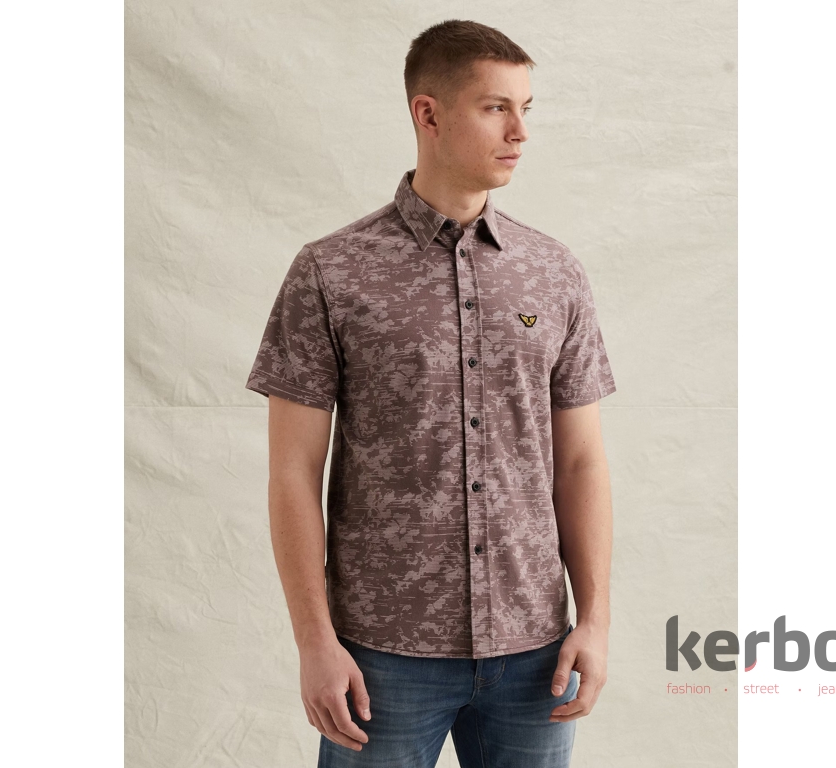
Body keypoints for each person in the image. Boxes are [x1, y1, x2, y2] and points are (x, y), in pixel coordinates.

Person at [245, 18, 617, 768]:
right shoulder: (331, 272)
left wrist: (596, 620)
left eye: (525, 108)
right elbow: (293, 473)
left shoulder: (554, 272)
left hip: (536, 653)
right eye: (496, 107)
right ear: (428, 113)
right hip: (381, 655)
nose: (519, 131)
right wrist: (315, 642)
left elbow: (580, 463)